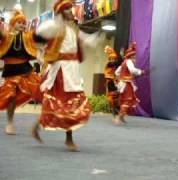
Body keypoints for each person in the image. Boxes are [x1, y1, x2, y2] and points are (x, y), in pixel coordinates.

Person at [31, 0, 93, 151]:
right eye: (68, 9)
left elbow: (86, 39)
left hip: (72, 72)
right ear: (61, 12)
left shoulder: (73, 30)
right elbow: (38, 34)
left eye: (71, 9)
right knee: (62, 105)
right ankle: (67, 138)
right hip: (61, 72)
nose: (72, 12)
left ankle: (42, 129)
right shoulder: (55, 27)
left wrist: (94, 39)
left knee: (70, 105)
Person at [0, 10, 40, 135]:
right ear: (13, 23)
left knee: (40, 90)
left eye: (24, 23)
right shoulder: (6, 35)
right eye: (19, 23)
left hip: (26, 70)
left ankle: (45, 119)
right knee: (11, 97)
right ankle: (10, 123)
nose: (22, 25)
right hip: (11, 71)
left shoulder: (28, 36)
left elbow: (40, 37)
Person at [113, 42, 144, 125]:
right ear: (132, 56)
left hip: (124, 83)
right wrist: (140, 72)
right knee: (127, 100)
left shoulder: (124, 62)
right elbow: (132, 70)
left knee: (125, 101)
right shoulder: (129, 61)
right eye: (135, 57)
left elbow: (116, 72)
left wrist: (121, 78)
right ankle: (118, 118)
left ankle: (121, 117)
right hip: (126, 84)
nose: (135, 59)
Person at [104, 46, 121, 117]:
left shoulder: (113, 64)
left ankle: (116, 108)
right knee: (112, 95)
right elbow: (116, 63)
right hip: (110, 81)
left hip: (114, 80)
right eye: (112, 58)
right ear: (110, 58)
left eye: (114, 58)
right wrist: (121, 56)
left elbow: (117, 63)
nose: (113, 59)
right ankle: (114, 108)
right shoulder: (109, 64)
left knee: (117, 94)